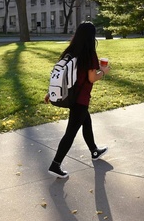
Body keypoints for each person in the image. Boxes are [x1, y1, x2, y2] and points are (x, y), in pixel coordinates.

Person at [46, 21, 110, 179]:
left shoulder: (70, 51)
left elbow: (60, 74)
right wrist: (104, 71)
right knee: (70, 133)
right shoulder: (89, 53)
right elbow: (92, 77)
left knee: (86, 122)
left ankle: (94, 150)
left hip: (71, 95)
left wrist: (51, 92)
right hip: (80, 99)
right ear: (92, 36)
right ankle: (55, 164)